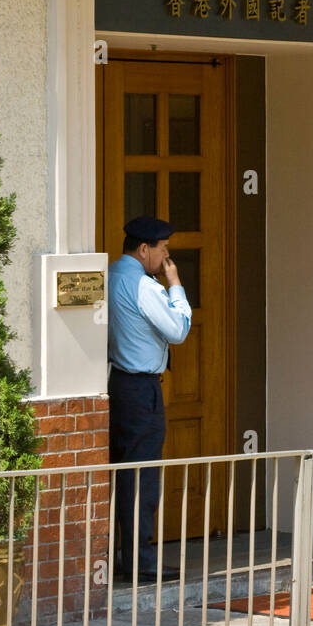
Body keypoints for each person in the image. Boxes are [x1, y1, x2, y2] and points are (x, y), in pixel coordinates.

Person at [107, 216, 192, 583]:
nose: (166, 256)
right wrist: (175, 287)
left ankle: (114, 557)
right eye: (163, 250)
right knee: (141, 478)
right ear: (144, 249)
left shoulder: (109, 275)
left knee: (121, 475)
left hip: (116, 386)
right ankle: (139, 561)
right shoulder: (145, 286)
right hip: (142, 391)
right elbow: (178, 331)